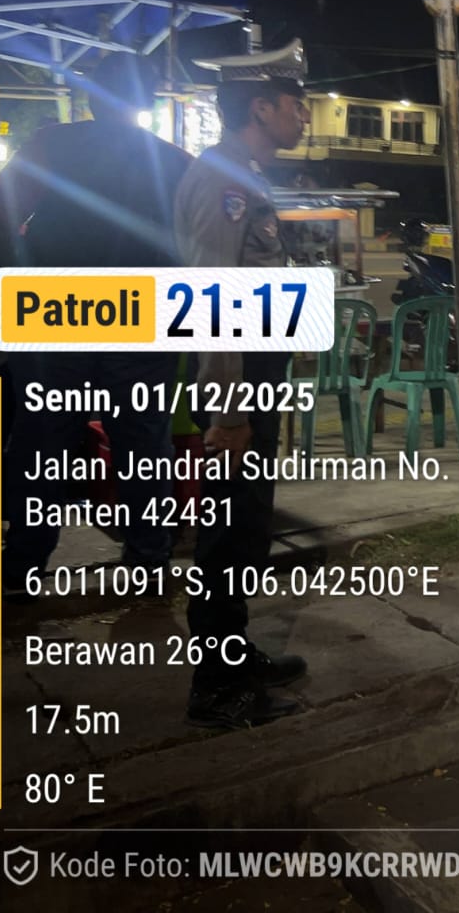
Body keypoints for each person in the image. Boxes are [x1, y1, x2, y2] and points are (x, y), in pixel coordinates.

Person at [0, 55, 192, 592]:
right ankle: (148, 562)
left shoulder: (51, 145)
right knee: (144, 444)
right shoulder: (176, 162)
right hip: (142, 316)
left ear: (90, 98)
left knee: (43, 442)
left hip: (54, 312)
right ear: (148, 102)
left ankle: (22, 567)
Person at [175, 39, 311, 731]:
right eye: (295, 104)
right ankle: (215, 688)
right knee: (226, 534)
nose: (304, 115)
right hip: (235, 385)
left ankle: (236, 652)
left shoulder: (245, 178)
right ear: (260, 107)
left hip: (256, 380)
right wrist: (228, 412)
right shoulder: (221, 182)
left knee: (248, 527)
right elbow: (212, 302)